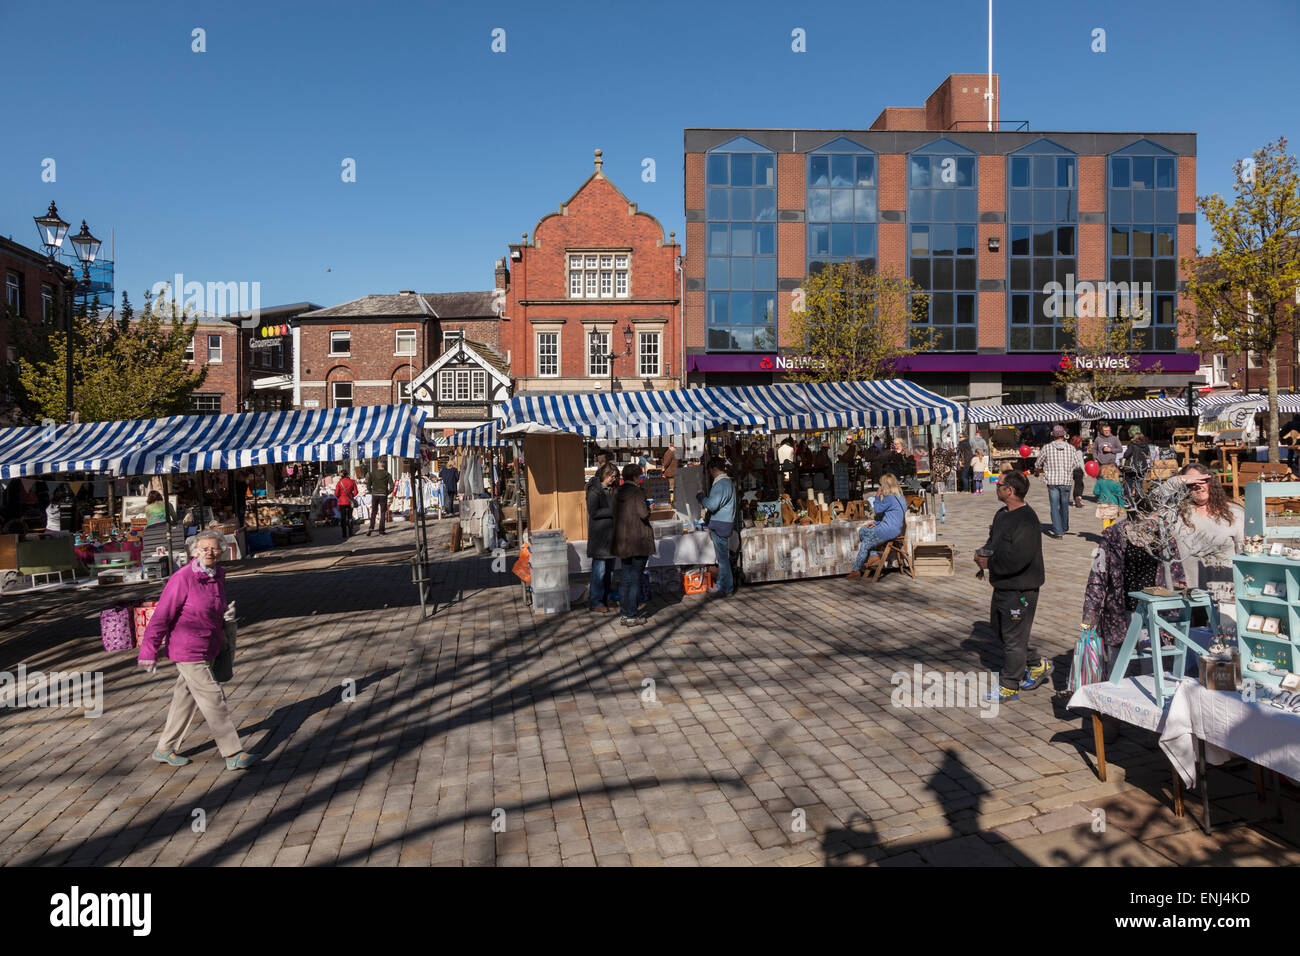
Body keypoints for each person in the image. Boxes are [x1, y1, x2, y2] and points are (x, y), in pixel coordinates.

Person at [137, 530, 260, 770]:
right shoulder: (182, 578)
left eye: (214, 548)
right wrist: (148, 650)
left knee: (185, 698)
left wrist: (225, 613)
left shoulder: (218, 574)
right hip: (188, 649)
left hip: (210, 645)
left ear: (222, 550)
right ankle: (233, 752)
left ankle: (164, 748)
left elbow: (214, 603)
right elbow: (161, 616)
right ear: (194, 552)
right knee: (213, 697)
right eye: (204, 549)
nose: (209, 553)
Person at [974, 471, 1051, 702]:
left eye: (999, 485)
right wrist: (983, 553)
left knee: (1013, 639)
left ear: (1010, 490)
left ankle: (1009, 684)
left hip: (1021, 589)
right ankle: (1036, 664)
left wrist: (991, 563)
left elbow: (1020, 558)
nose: (995, 488)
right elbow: (994, 541)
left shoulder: (1027, 519)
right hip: (1003, 585)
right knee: (1000, 631)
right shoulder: (1002, 514)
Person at [1173, 462, 1245, 614]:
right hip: (1189, 593)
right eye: (1191, 483)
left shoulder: (1234, 513)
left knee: (1225, 634)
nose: (1198, 486)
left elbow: (1245, 553)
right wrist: (1177, 480)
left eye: (1202, 481)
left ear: (1210, 482)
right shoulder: (1176, 514)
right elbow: (1152, 499)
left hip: (1225, 591)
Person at [612, 463, 654, 626]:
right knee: (635, 577)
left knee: (626, 577)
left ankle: (625, 613)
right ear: (636, 477)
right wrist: (649, 507)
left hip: (623, 540)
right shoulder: (637, 492)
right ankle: (631, 615)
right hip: (638, 540)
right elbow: (643, 514)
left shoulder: (617, 492)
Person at [846, 473, 906, 579]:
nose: (880, 487)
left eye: (881, 485)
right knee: (864, 530)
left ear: (885, 486)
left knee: (865, 539)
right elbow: (892, 516)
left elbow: (877, 510)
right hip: (896, 529)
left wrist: (877, 496)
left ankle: (857, 569)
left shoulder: (890, 498)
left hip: (887, 531)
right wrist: (876, 523)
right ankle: (873, 555)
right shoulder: (900, 497)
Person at [698, 458, 738, 597]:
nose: (710, 474)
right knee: (723, 558)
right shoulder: (728, 482)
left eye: (710, 471)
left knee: (722, 559)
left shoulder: (721, 483)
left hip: (720, 523)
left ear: (714, 469)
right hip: (725, 522)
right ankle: (724, 586)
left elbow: (712, 505)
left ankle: (725, 587)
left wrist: (701, 497)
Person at [1037, 425, 1084, 538]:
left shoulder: (1047, 448)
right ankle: (1064, 526)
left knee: (1054, 506)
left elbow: (1038, 463)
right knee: (1064, 505)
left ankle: (1058, 532)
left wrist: (1039, 468)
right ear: (1064, 435)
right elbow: (1077, 464)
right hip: (1066, 480)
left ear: (1053, 435)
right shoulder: (1071, 448)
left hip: (1052, 481)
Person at [586, 463, 620, 613]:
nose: (614, 479)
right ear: (605, 475)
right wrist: (613, 511)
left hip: (611, 536)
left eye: (616, 477)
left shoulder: (613, 490)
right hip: (600, 538)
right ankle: (595, 601)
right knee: (599, 571)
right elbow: (593, 513)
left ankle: (609, 597)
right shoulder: (594, 491)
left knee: (610, 571)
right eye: (613, 476)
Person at [365, 461, 395, 535]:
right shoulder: (387, 474)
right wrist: (388, 492)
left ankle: (371, 527)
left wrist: (370, 490)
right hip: (383, 494)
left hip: (375, 494)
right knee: (382, 512)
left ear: (378, 466)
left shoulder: (372, 473)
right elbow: (392, 485)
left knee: (374, 512)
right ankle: (381, 530)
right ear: (383, 466)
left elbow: (368, 483)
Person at [1094, 464, 1125, 530]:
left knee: (1105, 520)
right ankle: (1112, 535)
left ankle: (1107, 536)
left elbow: (1095, 492)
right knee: (1112, 520)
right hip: (1114, 504)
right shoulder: (1117, 483)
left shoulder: (1100, 481)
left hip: (1103, 503)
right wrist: (1122, 507)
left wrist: (1101, 492)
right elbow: (1120, 496)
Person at [335, 471, 359, 540]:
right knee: (350, 517)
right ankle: (350, 532)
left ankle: (344, 533)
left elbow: (336, 493)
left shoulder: (339, 483)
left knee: (343, 517)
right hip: (349, 501)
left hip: (342, 502)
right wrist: (351, 496)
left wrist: (340, 496)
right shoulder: (352, 482)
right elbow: (356, 492)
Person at [1069, 434, 1086, 508]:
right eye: (1080, 442)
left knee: (1077, 484)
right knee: (1079, 485)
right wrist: (1085, 472)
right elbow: (1081, 462)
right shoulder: (1078, 451)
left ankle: (1075, 500)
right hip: (1078, 469)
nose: (1082, 443)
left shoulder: (1069, 449)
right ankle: (1078, 499)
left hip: (1070, 469)